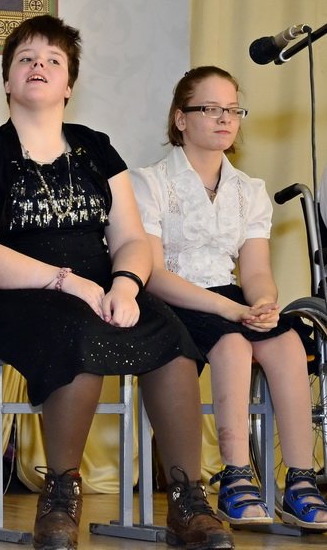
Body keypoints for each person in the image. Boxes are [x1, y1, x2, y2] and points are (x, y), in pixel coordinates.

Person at [0, 15, 234, 550]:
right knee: (76, 332)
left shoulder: (96, 147)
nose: (39, 66)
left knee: (173, 339)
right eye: (26, 58)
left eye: (53, 60)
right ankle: (60, 496)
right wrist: (66, 282)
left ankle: (188, 502)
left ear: (69, 85)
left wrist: (125, 284)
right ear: (8, 79)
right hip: (12, 294)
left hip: (102, 289)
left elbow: (131, 238)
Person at [131, 65, 327, 529]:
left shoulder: (249, 190)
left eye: (233, 110)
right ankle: (235, 476)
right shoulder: (149, 182)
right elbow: (152, 274)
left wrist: (262, 304)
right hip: (172, 297)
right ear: (181, 118)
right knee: (234, 342)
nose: (225, 119)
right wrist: (232, 311)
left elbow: (255, 271)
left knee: (286, 341)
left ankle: (300, 481)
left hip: (230, 295)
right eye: (211, 108)